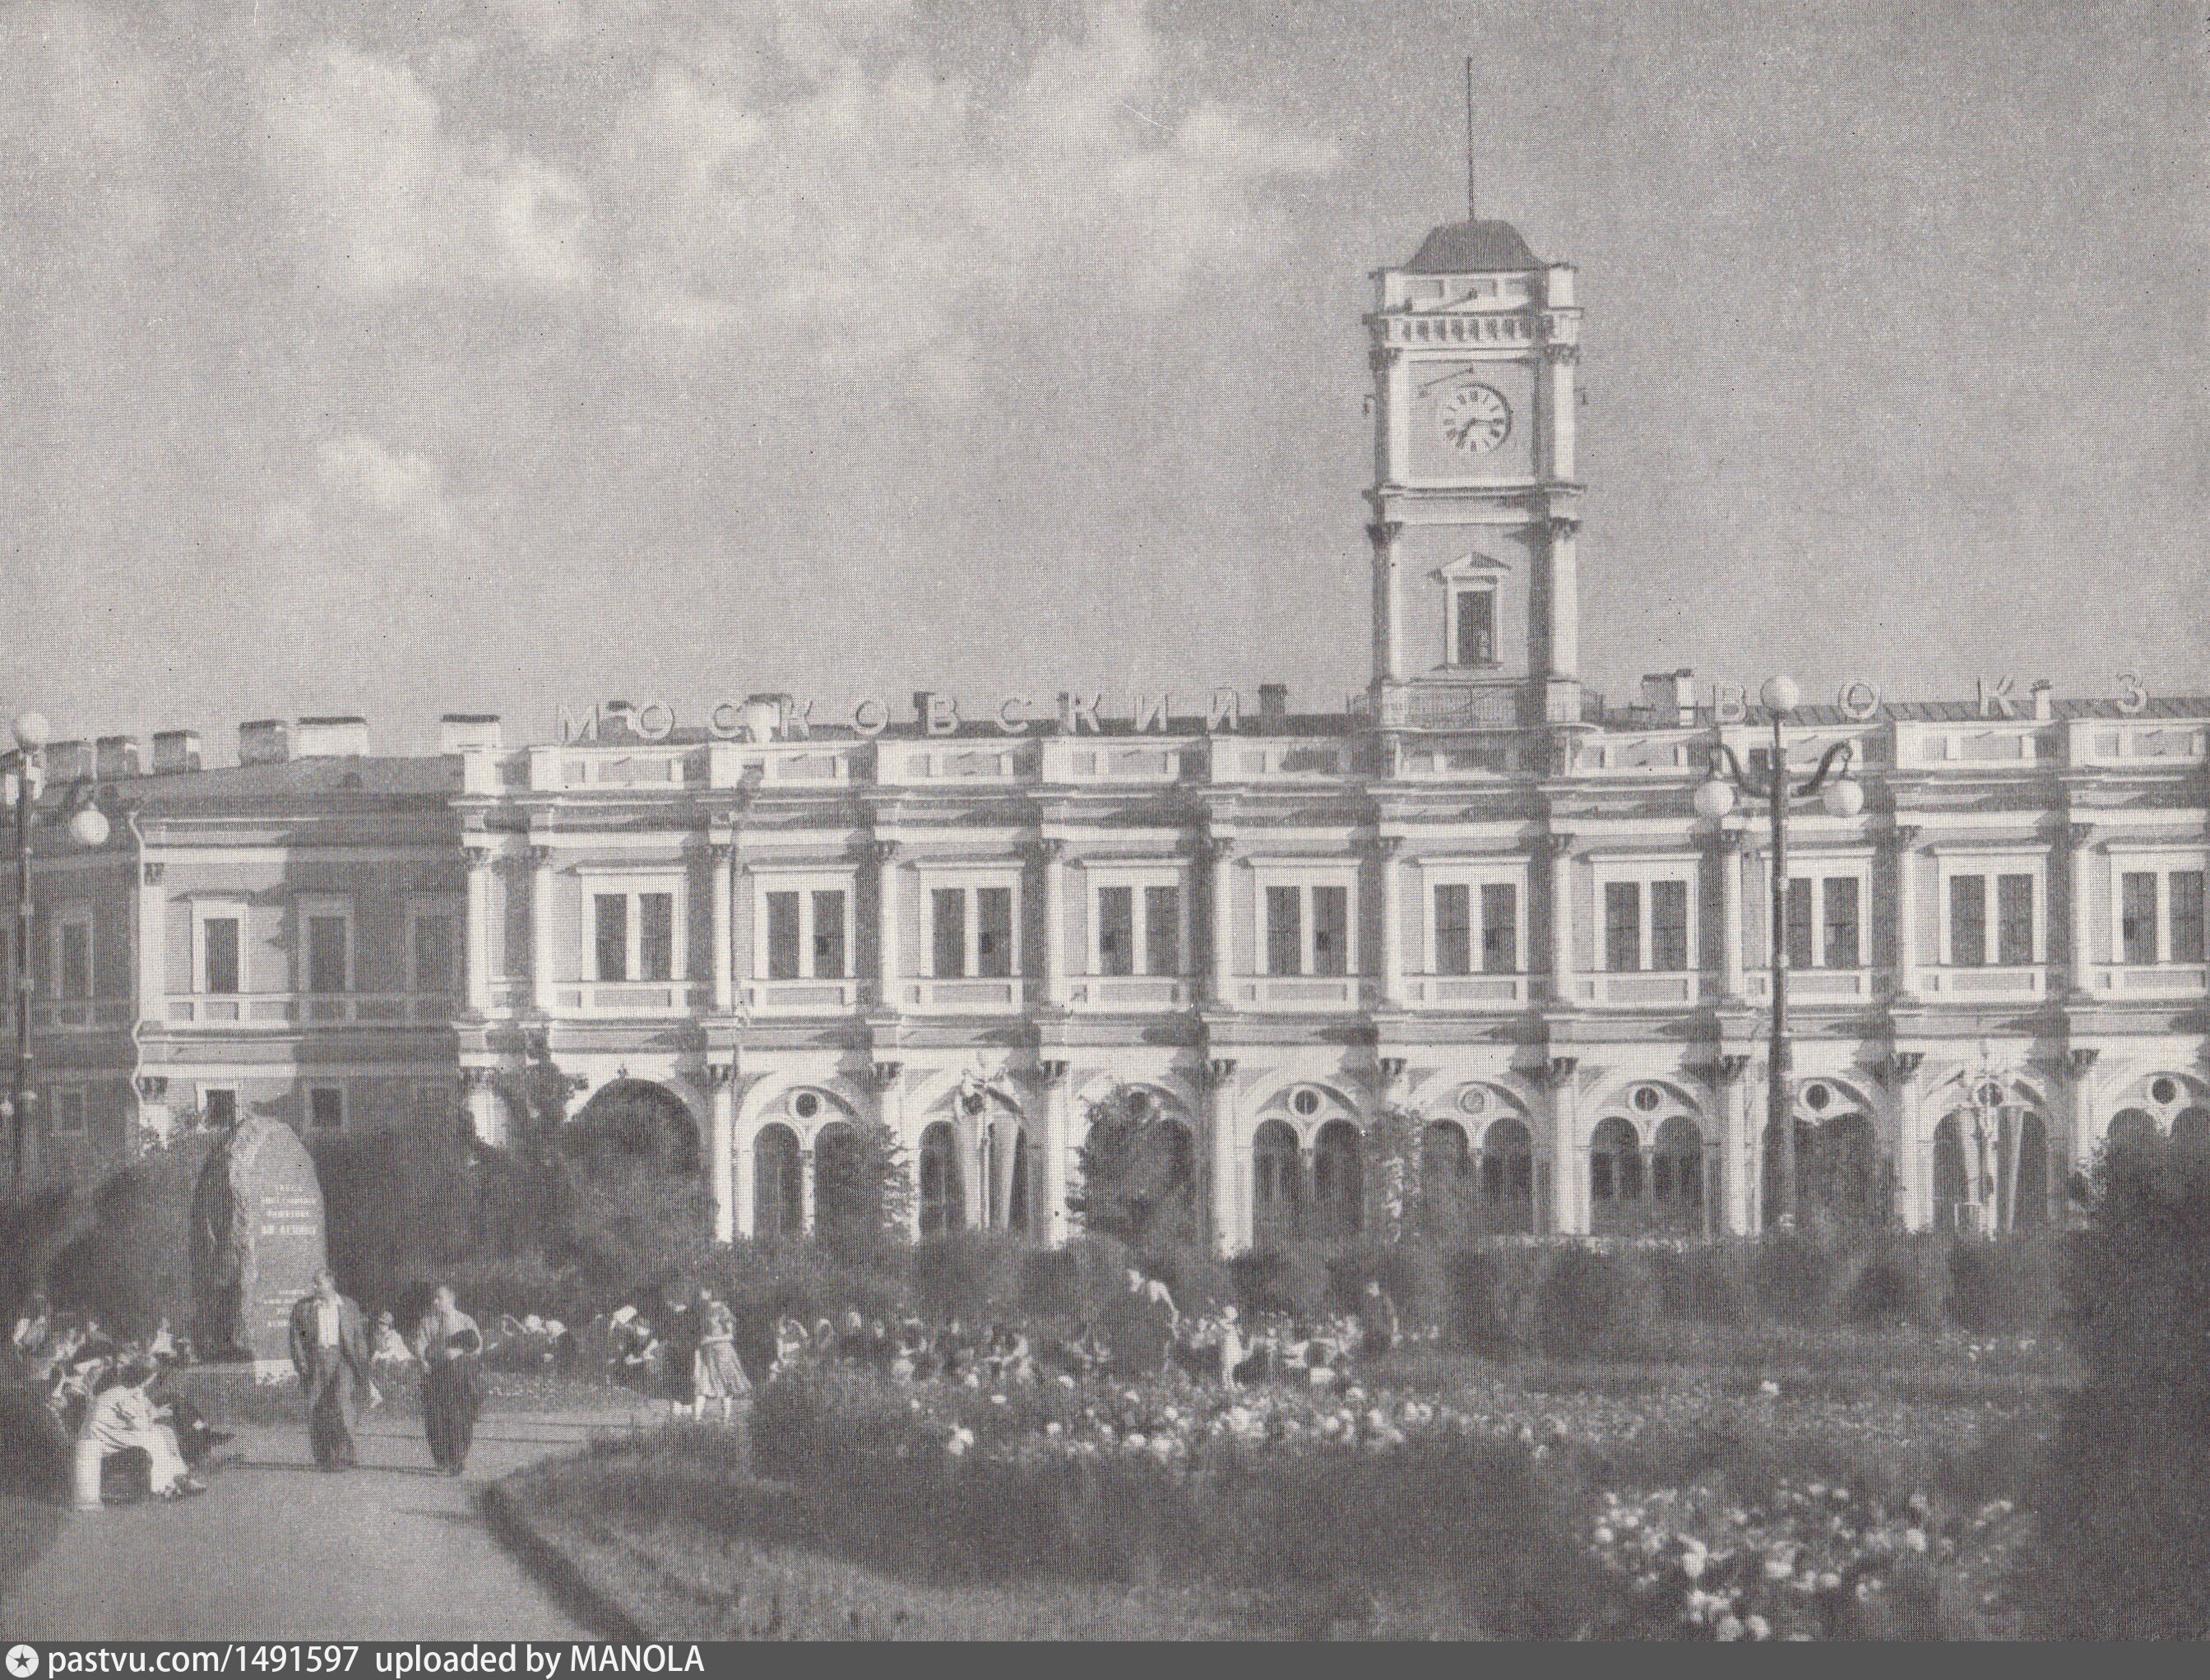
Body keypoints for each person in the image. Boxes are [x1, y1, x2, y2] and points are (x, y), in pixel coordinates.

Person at [84, 1357, 203, 1500]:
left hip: (107, 1435)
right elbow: (139, 1426)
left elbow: (140, 1417)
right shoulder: (123, 1394)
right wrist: (154, 1415)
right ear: (147, 1378)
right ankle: (166, 1486)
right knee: (154, 1438)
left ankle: (179, 1478)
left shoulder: (128, 1390)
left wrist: (151, 1415)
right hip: (98, 1441)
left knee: (164, 1432)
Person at [289, 1269, 371, 1471]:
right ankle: (324, 1457)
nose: (314, 1287)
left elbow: (359, 1339)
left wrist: (362, 1366)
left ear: (331, 1283)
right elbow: (296, 1340)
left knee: (342, 1404)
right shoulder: (303, 1308)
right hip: (316, 1361)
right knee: (316, 1407)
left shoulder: (349, 1306)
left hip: (342, 1359)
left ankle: (345, 1455)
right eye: (313, 1283)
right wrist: (302, 1366)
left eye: (318, 1283)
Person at [412, 1284, 485, 1476]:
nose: (435, 1302)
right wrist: (422, 1360)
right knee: (436, 1418)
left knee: (460, 1418)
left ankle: (458, 1458)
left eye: (439, 1298)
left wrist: (459, 1351)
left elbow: (477, 1347)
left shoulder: (465, 1320)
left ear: (451, 1300)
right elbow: (420, 1342)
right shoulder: (428, 1321)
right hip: (436, 1374)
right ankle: (443, 1460)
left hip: (459, 1377)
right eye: (434, 1299)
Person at [690, 1293, 748, 1423]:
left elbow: (731, 1336)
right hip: (707, 1353)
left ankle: (726, 1418)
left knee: (725, 1385)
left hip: (723, 1353)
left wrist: (711, 1339)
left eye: (704, 1290)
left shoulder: (724, 1311)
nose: (701, 1293)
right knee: (702, 1384)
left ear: (712, 1292)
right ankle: (696, 1419)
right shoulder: (705, 1311)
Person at [1358, 1279, 1401, 1358]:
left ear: (1375, 1287)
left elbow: (1393, 1318)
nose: (1369, 1291)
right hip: (1372, 1335)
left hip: (1385, 1335)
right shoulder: (1368, 1301)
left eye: (1371, 1287)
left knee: (1384, 1357)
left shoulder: (1384, 1299)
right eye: (1367, 1288)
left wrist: (1394, 1334)